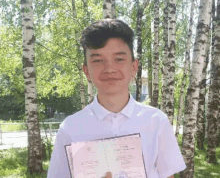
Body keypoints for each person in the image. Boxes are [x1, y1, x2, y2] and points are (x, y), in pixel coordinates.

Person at [47, 19, 186, 178]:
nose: (109, 69)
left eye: (119, 59)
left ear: (133, 67)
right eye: (98, 60)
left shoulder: (156, 121)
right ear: (86, 71)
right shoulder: (70, 128)